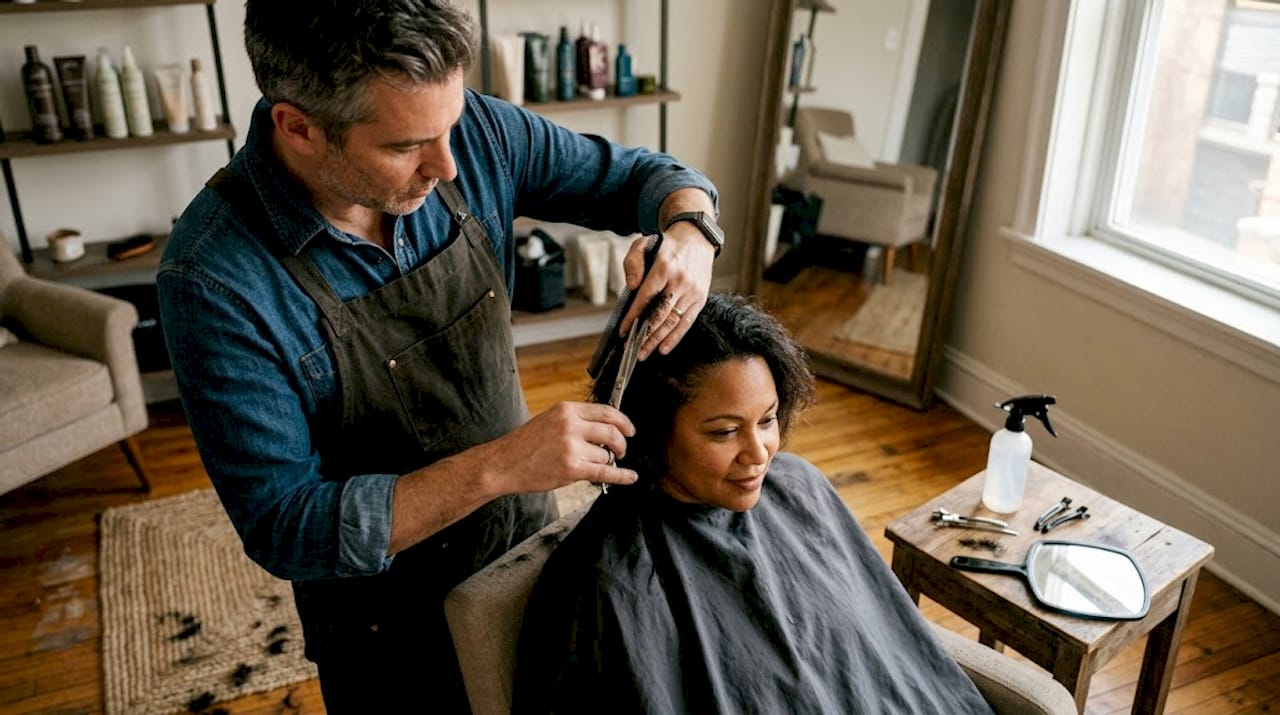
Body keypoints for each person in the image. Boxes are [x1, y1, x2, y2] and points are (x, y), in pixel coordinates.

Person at [154, 1, 722, 711]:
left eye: (449, 125)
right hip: (385, 625)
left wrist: (690, 232)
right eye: (404, 146)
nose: (448, 163)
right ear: (297, 127)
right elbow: (285, 525)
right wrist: (501, 464)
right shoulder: (214, 280)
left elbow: (642, 177)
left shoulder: (471, 132)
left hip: (525, 548)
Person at [511, 294, 995, 714]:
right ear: (652, 431)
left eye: (767, 420)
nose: (760, 452)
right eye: (724, 431)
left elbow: (881, 649)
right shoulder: (611, 576)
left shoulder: (800, 487)